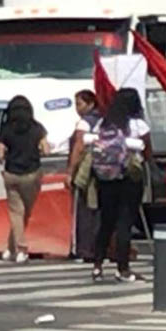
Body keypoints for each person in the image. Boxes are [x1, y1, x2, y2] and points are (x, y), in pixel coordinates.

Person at [88, 88, 151, 283]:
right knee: (124, 222)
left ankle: (97, 266)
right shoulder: (137, 125)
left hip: (105, 177)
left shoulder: (103, 123)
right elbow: (148, 152)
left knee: (106, 221)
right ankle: (123, 268)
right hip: (129, 178)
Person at [0, 95, 48, 264]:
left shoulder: (6, 128)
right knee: (25, 212)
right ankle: (21, 249)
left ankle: (11, 247)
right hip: (32, 174)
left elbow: (0, 152)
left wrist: (2, 159)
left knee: (16, 212)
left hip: (11, 174)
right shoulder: (37, 128)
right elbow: (45, 149)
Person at [66, 90, 101, 261]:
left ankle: (82, 249)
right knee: (98, 210)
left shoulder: (84, 124)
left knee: (83, 211)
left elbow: (78, 149)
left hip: (85, 173)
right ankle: (98, 248)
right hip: (102, 171)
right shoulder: (104, 121)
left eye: (79, 104)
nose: (76, 108)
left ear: (91, 104)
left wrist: (70, 172)